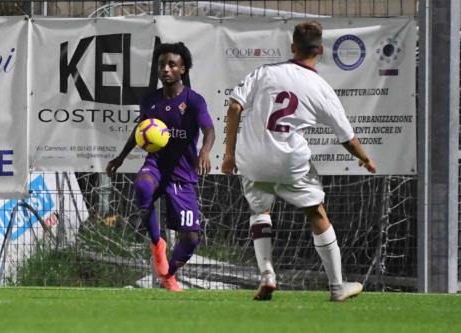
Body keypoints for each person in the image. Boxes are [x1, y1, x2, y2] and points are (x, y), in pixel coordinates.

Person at [221, 21, 376, 301]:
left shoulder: (265, 72)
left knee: (260, 211)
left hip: (253, 157)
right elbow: (347, 137)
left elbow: (234, 107)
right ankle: (337, 287)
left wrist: (229, 154)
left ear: (293, 47)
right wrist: (364, 158)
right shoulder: (320, 87)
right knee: (316, 213)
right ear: (321, 50)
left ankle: (267, 273)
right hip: (290, 159)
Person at [106, 42, 215, 291]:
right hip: (155, 165)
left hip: (182, 173)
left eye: (171, 64)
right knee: (142, 186)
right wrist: (121, 157)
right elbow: (141, 129)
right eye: (161, 65)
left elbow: (209, 128)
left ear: (182, 69)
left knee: (191, 238)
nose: (165, 69)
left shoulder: (194, 100)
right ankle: (157, 245)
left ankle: (169, 274)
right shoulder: (150, 100)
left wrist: (204, 152)